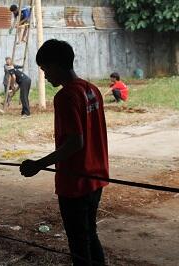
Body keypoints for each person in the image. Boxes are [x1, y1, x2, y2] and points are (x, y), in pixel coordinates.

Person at [20, 39, 109, 266]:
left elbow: (74, 142)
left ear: (56, 65)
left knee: (78, 242)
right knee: (89, 234)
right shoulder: (92, 90)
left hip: (75, 182)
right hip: (96, 177)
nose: (45, 76)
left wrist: (38, 164)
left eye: (45, 69)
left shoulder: (65, 96)